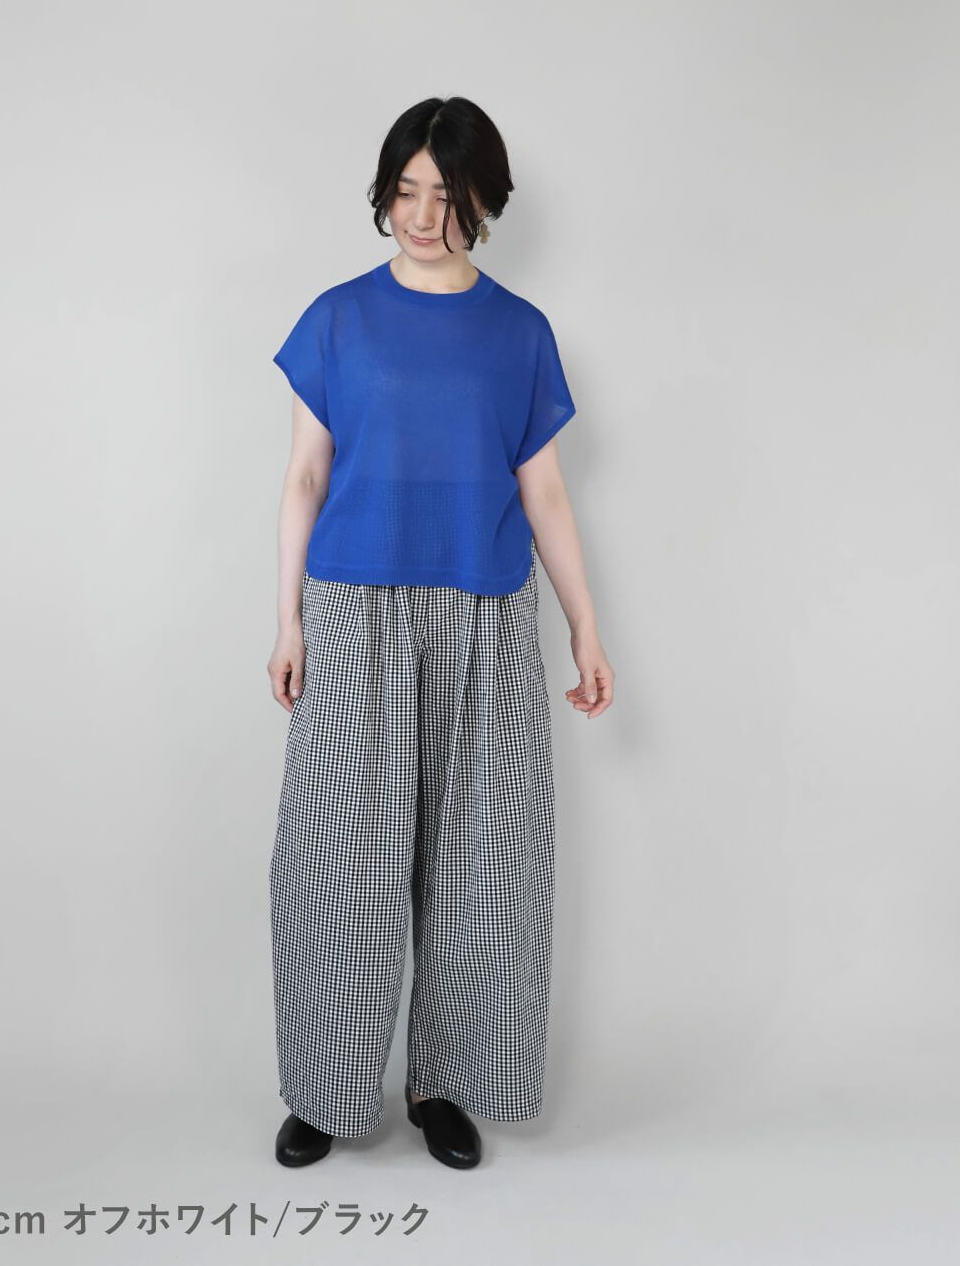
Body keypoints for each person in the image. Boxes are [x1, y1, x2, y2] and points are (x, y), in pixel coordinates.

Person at [266, 96, 614, 1170]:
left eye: (447, 197)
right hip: (353, 606)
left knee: (480, 860)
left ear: (484, 203)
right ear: (385, 195)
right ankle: (326, 1087)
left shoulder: (519, 333)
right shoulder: (336, 319)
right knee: (340, 861)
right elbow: (305, 475)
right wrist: (285, 620)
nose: (423, 217)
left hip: (484, 613)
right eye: (406, 192)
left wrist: (585, 629)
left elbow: (543, 492)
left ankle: (442, 1084)